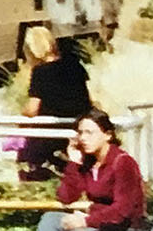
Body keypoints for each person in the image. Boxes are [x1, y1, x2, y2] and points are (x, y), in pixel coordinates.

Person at [10, 109, 147, 231]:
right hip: (100, 226)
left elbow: (122, 211)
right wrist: (73, 163)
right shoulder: (88, 163)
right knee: (50, 219)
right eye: (80, 133)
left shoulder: (122, 163)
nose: (83, 138)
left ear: (108, 135)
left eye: (90, 133)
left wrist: (84, 220)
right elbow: (66, 197)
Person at [17, 25, 97, 176]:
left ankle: (38, 176)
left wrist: (20, 119)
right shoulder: (74, 65)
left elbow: (32, 109)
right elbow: (89, 99)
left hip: (53, 132)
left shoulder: (40, 72)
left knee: (28, 154)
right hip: (79, 125)